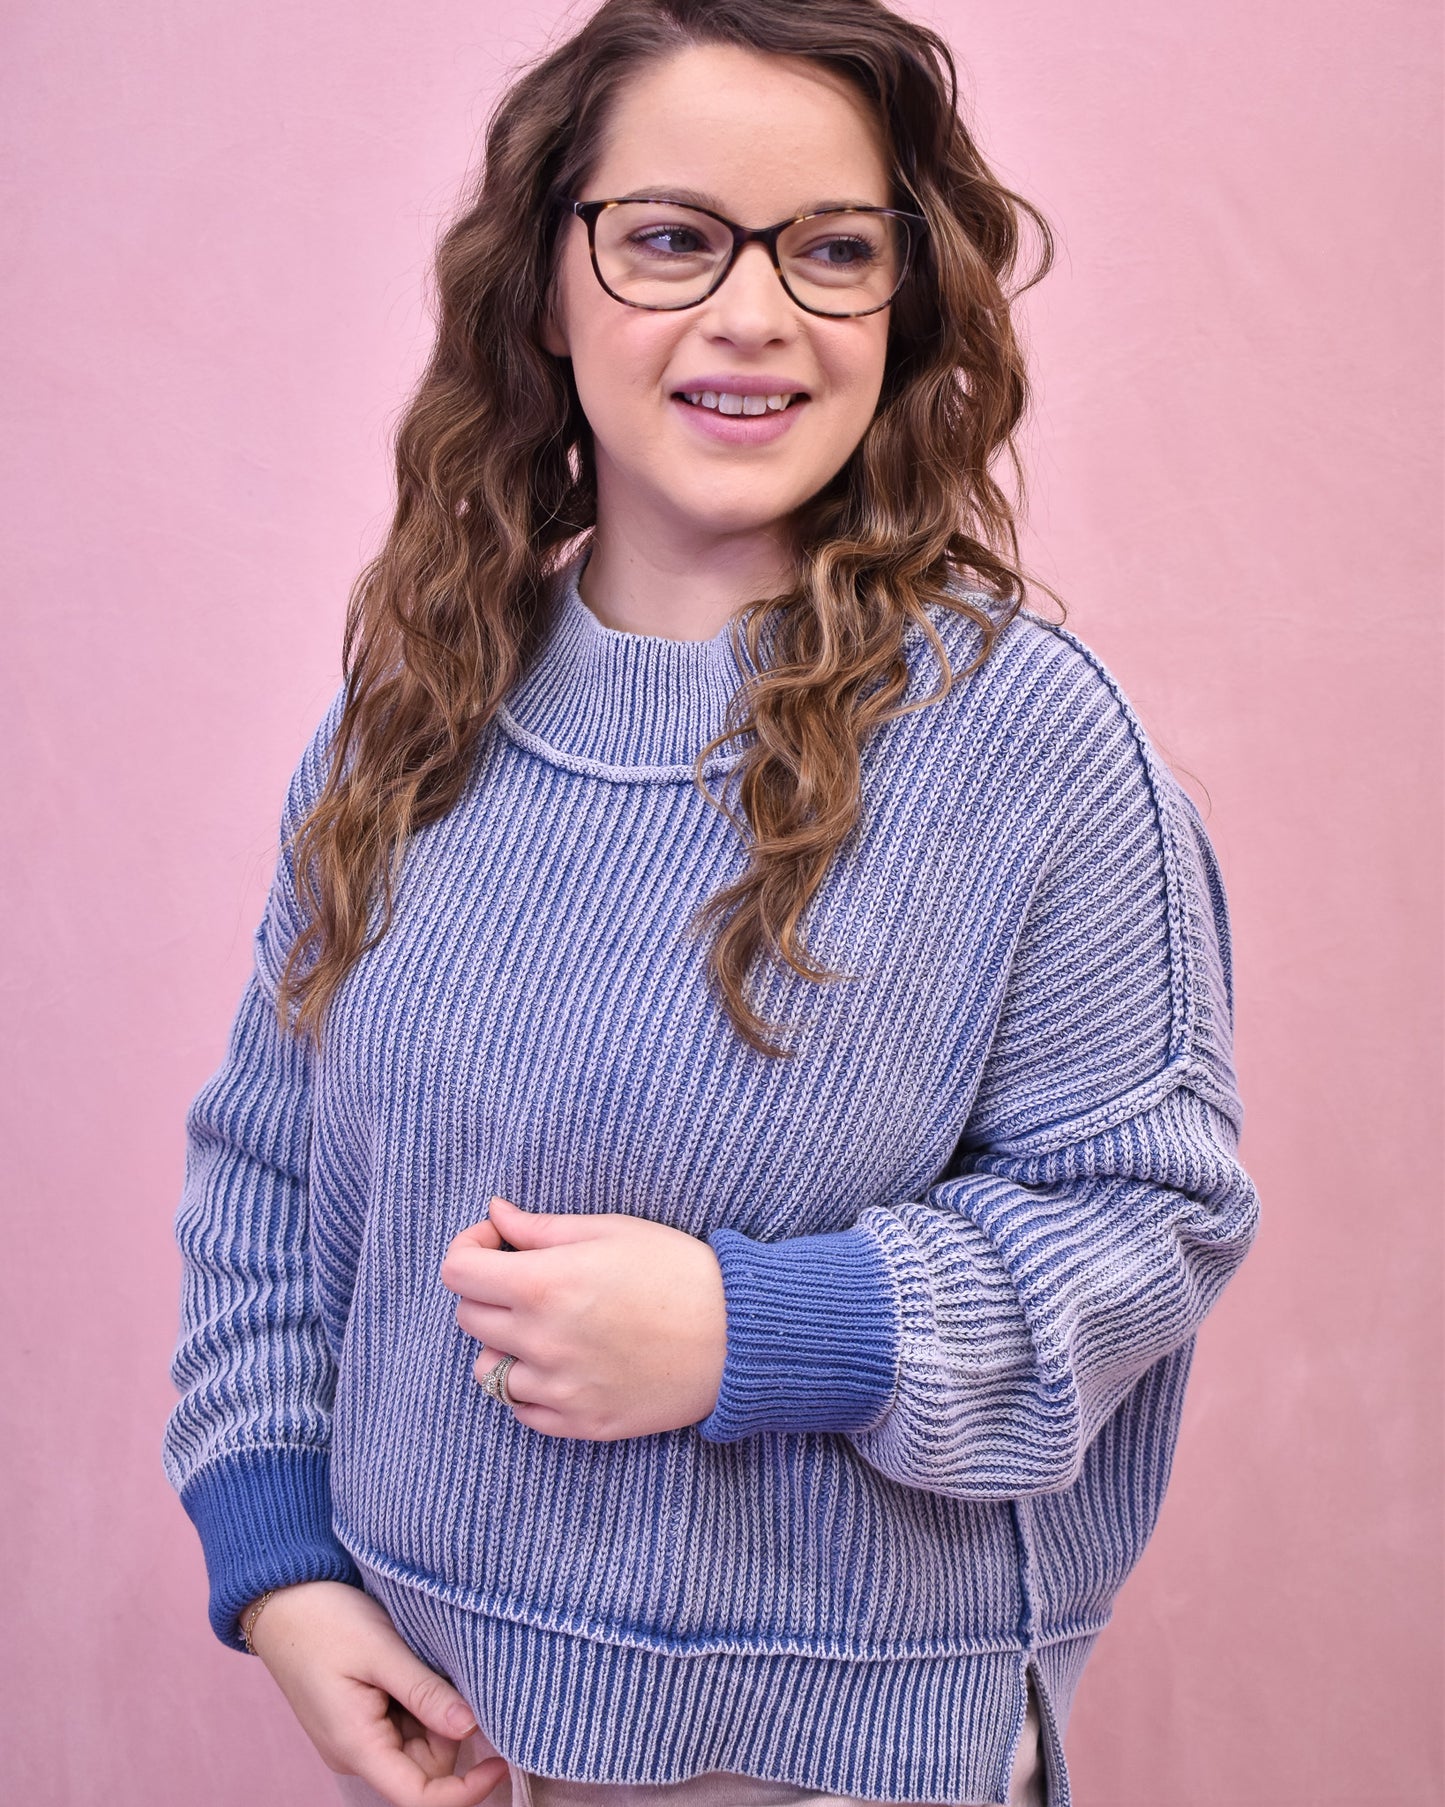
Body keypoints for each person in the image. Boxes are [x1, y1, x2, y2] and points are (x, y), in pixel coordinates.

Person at [160, 2, 1261, 1805]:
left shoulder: (1032, 747)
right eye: (669, 237)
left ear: (903, 304)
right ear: (543, 288)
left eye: (830, 251)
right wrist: (279, 1559)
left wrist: (760, 1333)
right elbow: (272, 1170)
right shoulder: (418, 704)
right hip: (439, 1735)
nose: (751, 315)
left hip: (839, 1769)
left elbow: (1143, 1226)